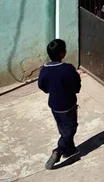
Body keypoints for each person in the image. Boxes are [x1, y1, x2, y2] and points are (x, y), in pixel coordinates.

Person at [38, 39, 81, 170]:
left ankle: (70, 150)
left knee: (63, 126)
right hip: (68, 105)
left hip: (54, 105)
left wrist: (50, 90)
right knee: (70, 128)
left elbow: (41, 85)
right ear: (62, 54)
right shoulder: (68, 69)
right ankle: (59, 151)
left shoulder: (44, 69)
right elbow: (76, 85)